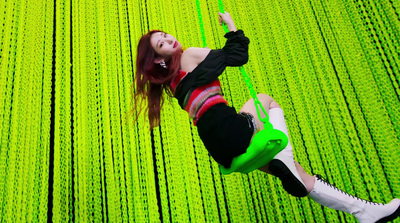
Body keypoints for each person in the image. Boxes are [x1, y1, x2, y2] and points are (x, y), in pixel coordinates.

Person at [132, 11, 400, 223]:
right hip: (230, 128)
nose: (170, 40)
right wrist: (232, 26)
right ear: (157, 59)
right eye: (162, 44)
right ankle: (284, 153)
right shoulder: (189, 54)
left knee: (300, 177)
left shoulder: (171, 85)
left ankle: (365, 212)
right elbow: (238, 55)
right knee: (265, 100)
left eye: (166, 35)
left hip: (217, 148)